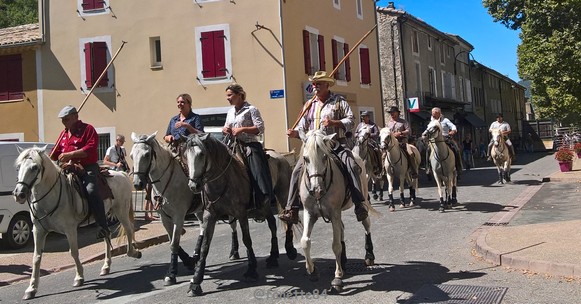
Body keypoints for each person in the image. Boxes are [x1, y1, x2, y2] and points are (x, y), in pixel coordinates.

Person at [279, 71, 368, 224]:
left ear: (327, 85)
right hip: (314, 147)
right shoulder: (308, 105)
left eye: (318, 83)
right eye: (314, 84)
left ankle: (359, 203)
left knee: (352, 164)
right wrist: (296, 133)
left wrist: (335, 123)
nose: (315, 86)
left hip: (335, 143)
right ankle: (292, 209)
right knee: (296, 172)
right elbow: (302, 128)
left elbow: (351, 120)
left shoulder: (339, 101)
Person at [50, 105, 110, 240]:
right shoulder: (63, 134)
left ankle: (102, 225)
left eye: (66, 119)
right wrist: (53, 156)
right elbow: (55, 152)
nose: (64, 122)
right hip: (67, 168)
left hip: (87, 167)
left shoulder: (88, 129)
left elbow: (90, 149)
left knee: (91, 190)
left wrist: (70, 154)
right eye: (62, 120)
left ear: (76, 117)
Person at [222, 84, 274, 211]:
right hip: (232, 144)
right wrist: (225, 129)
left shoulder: (251, 109)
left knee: (256, 168)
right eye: (227, 96)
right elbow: (225, 127)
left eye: (230, 95)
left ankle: (263, 196)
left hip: (249, 144)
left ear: (239, 95)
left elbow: (260, 128)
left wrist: (242, 129)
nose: (228, 98)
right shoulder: (230, 112)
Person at [422, 107, 462, 176]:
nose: (433, 115)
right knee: (428, 149)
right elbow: (427, 130)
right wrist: (423, 134)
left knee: (456, 148)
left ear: (439, 114)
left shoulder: (445, 120)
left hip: (446, 138)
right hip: (434, 140)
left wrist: (453, 131)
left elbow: (453, 126)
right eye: (432, 113)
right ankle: (428, 167)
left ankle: (458, 166)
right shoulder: (432, 122)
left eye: (434, 114)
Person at [386, 106, 419, 178]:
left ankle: (413, 171)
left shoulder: (403, 122)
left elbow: (408, 130)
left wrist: (400, 133)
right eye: (391, 113)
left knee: (410, 153)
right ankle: (383, 171)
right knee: (383, 155)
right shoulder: (389, 123)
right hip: (392, 143)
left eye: (393, 113)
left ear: (397, 113)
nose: (392, 114)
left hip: (402, 141)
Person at [355, 111, 382, 175]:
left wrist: (369, 135)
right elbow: (355, 133)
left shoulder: (373, 125)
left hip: (370, 142)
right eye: (362, 117)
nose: (363, 118)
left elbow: (377, 133)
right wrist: (358, 135)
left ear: (368, 117)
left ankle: (377, 166)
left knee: (377, 151)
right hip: (360, 141)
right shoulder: (360, 125)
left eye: (364, 117)